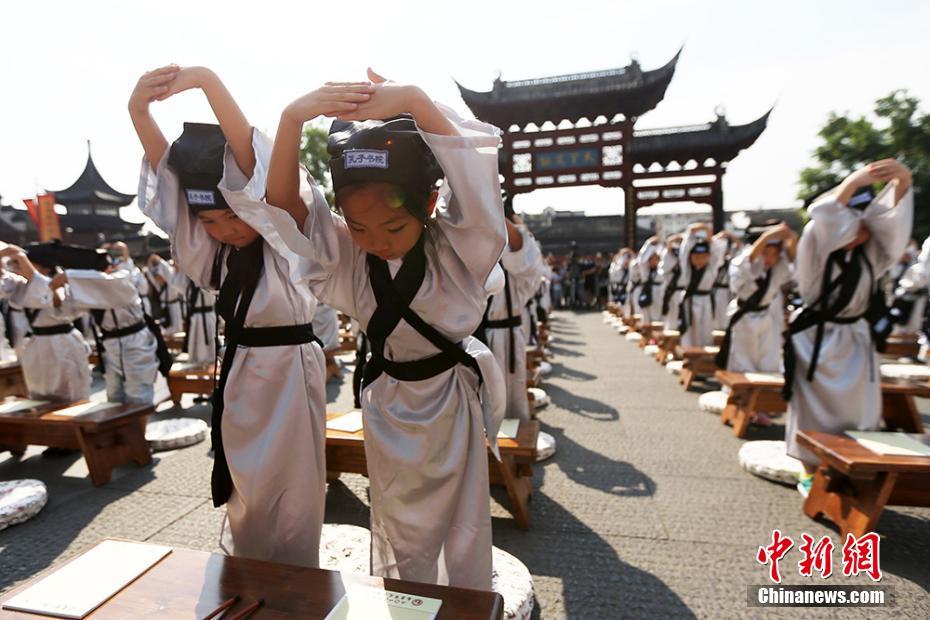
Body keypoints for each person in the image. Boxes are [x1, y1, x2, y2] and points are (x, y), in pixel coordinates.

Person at [257, 69, 507, 589]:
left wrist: (417, 100)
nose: (378, 240)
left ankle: (462, 601)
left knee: (462, 524)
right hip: (387, 401)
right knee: (395, 520)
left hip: (451, 401)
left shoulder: (461, 250)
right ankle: (406, 599)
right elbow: (283, 204)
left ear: (430, 205)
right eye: (361, 227)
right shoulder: (347, 258)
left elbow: (473, 178)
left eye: (394, 226)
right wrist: (290, 119)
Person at [130, 64, 328, 567]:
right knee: (247, 483)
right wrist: (138, 111)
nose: (223, 229)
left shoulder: (285, 241)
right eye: (211, 221)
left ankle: (293, 580)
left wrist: (206, 81)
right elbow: (174, 189)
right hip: (240, 370)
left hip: (288, 371)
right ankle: (247, 571)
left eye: (233, 215)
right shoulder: (212, 253)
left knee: (293, 488)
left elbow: (248, 163)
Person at [783, 159, 913, 497]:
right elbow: (824, 218)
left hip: (855, 338)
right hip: (816, 339)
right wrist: (855, 181)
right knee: (812, 409)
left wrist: (902, 181)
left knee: (861, 409)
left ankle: (855, 467)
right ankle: (809, 469)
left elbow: (894, 224)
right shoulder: (816, 245)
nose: (858, 230)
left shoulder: (874, 254)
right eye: (850, 222)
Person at [0, 242, 95, 402]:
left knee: (70, 394)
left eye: (28, 265)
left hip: (62, 344)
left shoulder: (60, 283)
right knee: (40, 394)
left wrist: (22, 258)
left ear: (45, 268)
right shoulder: (22, 285)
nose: (20, 268)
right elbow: (4, 286)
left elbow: (53, 299)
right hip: (37, 345)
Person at [475, 215, 542, 421]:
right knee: (478, 398)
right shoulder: (470, 248)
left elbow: (522, 252)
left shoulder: (512, 260)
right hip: (474, 337)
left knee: (509, 395)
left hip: (506, 338)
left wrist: (492, 210)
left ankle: (512, 438)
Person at [716, 222, 796, 374]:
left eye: (774, 254)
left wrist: (790, 237)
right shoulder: (743, 262)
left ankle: (765, 390)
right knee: (743, 360)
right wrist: (767, 236)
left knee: (768, 358)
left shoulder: (778, 268)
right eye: (765, 253)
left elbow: (792, 258)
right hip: (744, 317)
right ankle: (741, 393)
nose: (769, 259)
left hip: (766, 316)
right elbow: (750, 260)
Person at [675, 223, 733, 348]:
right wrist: (692, 232)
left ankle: (705, 353)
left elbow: (715, 252)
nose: (699, 260)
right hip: (690, 300)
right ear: (691, 257)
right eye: (696, 257)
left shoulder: (711, 267)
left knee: (706, 329)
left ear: (708, 257)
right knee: (690, 329)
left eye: (703, 257)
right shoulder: (687, 268)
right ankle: (688, 352)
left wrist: (707, 230)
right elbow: (684, 251)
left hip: (706, 299)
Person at [635, 236, 663, 332]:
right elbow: (641, 260)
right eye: (652, 258)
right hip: (649, 292)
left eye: (657, 258)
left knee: (659, 317)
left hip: (661, 293)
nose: (655, 261)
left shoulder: (661, 268)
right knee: (647, 315)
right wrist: (648, 243)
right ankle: (648, 336)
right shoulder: (646, 271)